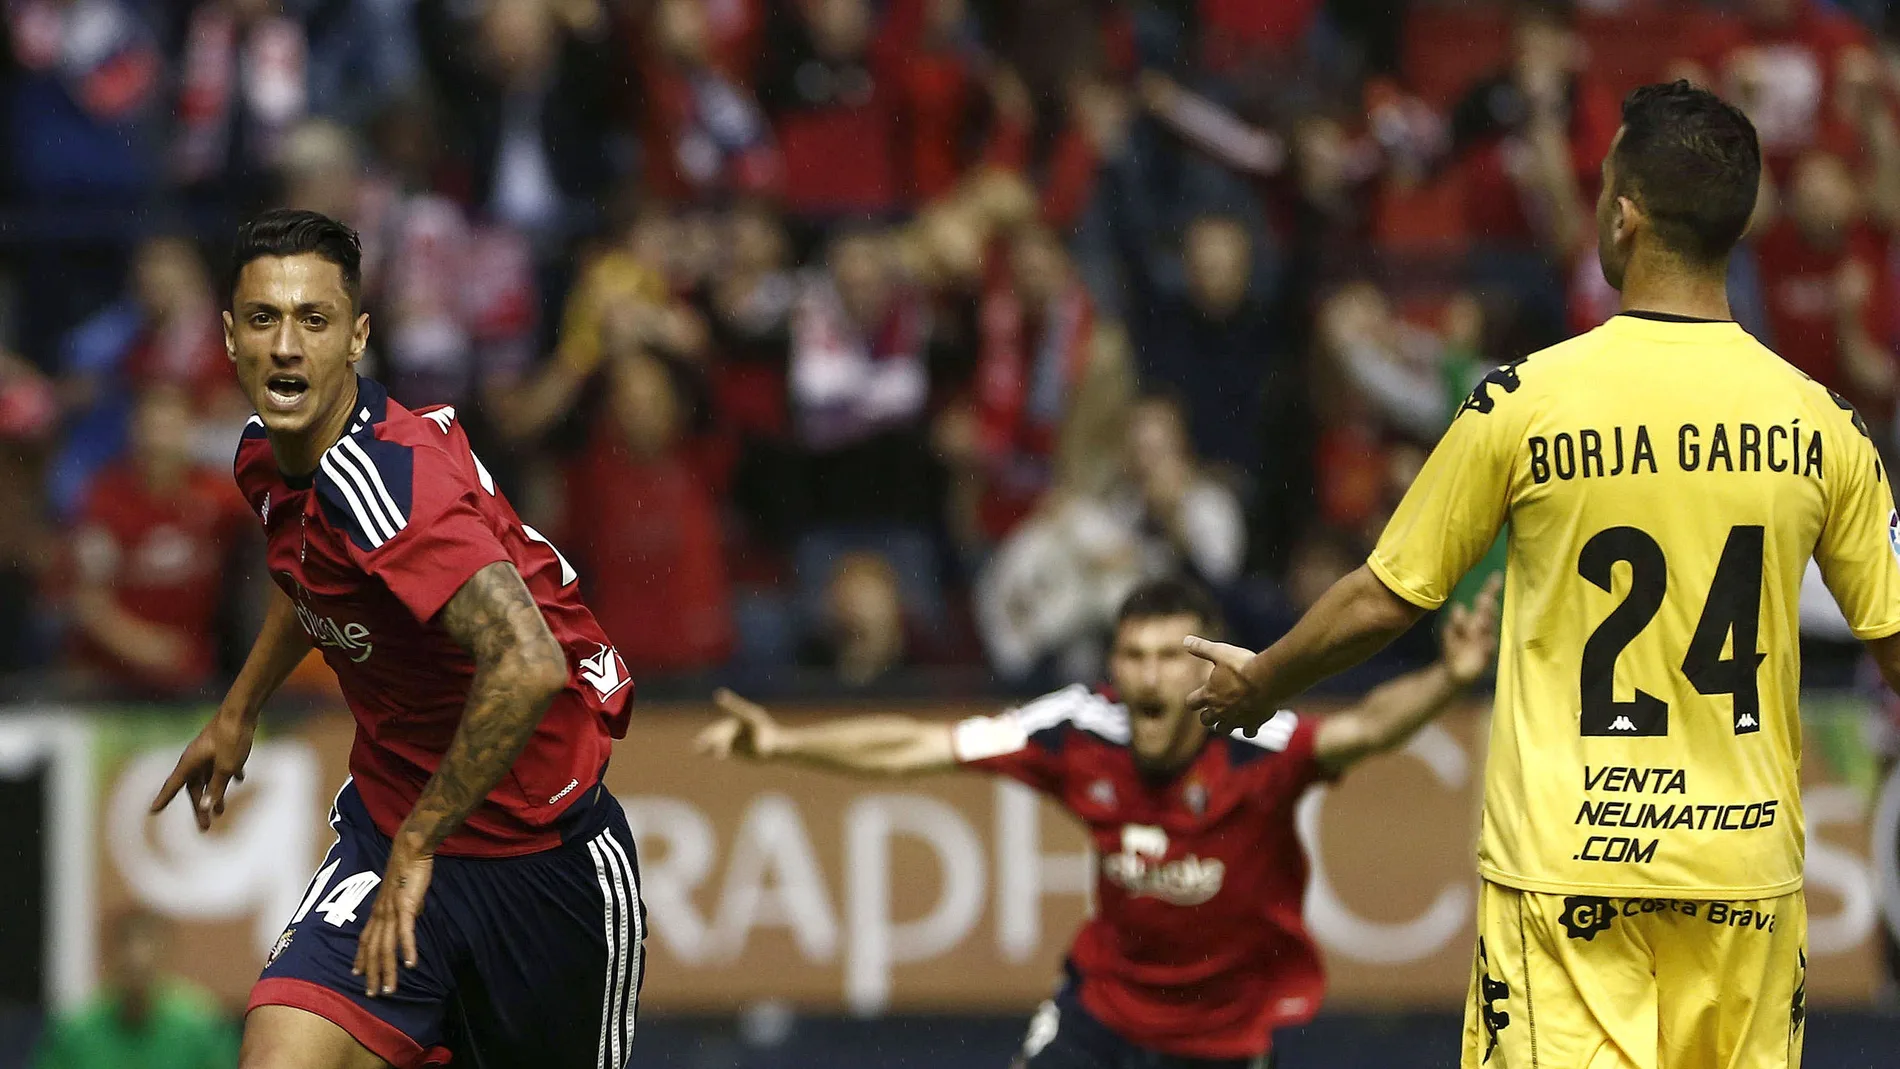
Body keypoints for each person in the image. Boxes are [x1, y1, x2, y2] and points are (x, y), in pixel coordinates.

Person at [1189, 81, 1900, 1069]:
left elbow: (1386, 596)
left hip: (1570, 879)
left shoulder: (1525, 401)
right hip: (1743, 879)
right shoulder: (1820, 423)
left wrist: (1259, 682)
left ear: (1622, 215)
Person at [148, 210, 644, 1069]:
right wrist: (239, 712)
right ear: (229, 338)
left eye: (315, 320)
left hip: (542, 861)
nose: (287, 347)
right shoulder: (268, 455)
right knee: (278, 1051)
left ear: (357, 338)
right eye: (264, 320)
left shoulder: (388, 481)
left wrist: (424, 843)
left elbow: (528, 662)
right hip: (388, 831)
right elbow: (311, 571)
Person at [699, 575, 1500, 1068]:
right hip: (1102, 1013)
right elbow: (922, 745)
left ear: (1210, 666)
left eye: (1167, 656)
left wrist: (1447, 680)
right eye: (1132, 655)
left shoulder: (1261, 740)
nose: (1147, 677)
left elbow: (1368, 727)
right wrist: (782, 742)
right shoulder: (1080, 727)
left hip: (1223, 1038)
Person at [31, 909, 239, 1069]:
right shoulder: (75, 1032)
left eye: (144, 970)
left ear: (163, 960)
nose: (136, 979)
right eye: (129, 968)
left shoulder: (202, 1027)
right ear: (110, 960)